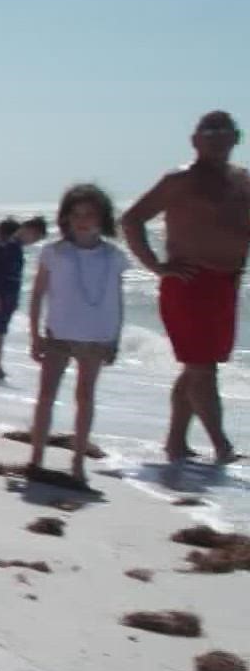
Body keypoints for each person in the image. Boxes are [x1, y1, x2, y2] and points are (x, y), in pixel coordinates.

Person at [121, 110, 248, 465]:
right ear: (195, 140)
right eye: (209, 130)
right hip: (188, 284)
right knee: (202, 368)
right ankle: (222, 447)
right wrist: (156, 267)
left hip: (226, 284)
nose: (217, 136)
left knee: (198, 367)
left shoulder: (243, 180)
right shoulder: (179, 180)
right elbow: (132, 220)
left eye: (224, 130)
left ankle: (176, 443)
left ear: (237, 137)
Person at [28, 185, 127, 485]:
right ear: (67, 218)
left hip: (97, 337)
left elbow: (116, 299)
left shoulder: (113, 256)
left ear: (102, 218)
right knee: (46, 396)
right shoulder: (55, 252)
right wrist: (34, 334)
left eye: (90, 214)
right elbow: (37, 295)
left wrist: (115, 339)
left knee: (85, 397)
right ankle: (36, 458)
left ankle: (78, 463)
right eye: (77, 214)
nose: (83, 220)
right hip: (58, 333)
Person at [0, 216, 44, 379]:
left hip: (3, 294)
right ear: (27, 230)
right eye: (34, 237)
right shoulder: (5, 247)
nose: (33, 241)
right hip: (0, 295)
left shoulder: (8, 247)